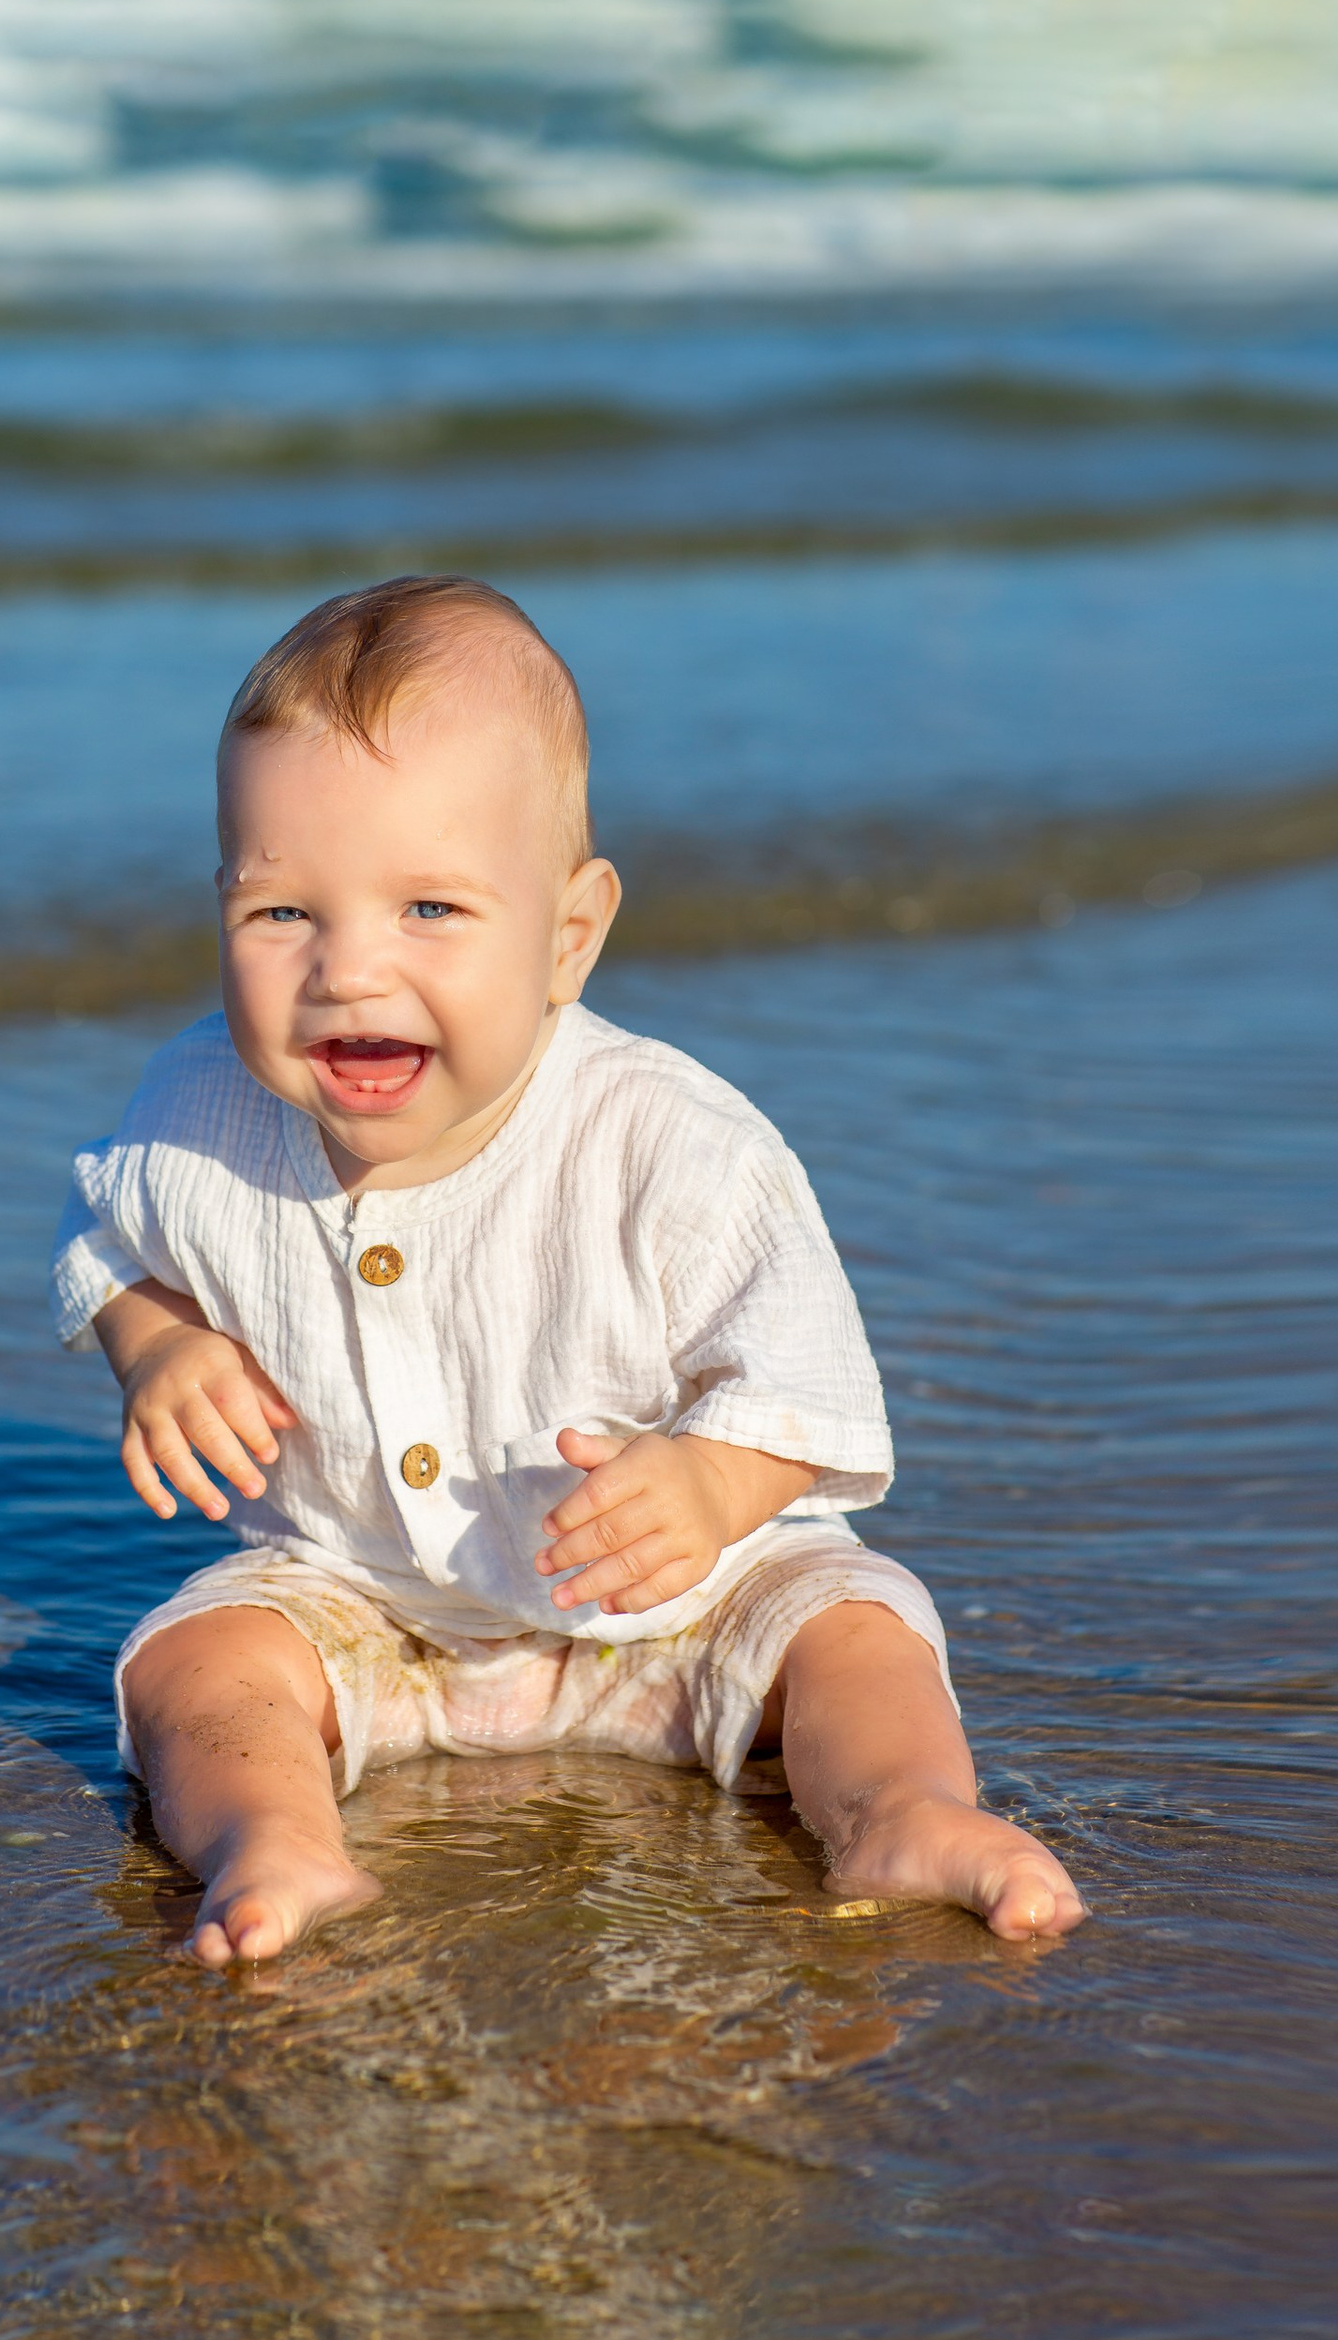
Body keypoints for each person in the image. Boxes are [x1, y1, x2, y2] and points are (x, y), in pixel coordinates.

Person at [53, 574, 1086, 1966]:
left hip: (670, 1611)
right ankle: (273, 1838)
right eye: (283, 914)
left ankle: (904, 1812)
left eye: (430, 907)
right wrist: (159, 1344)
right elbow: (113, 1247)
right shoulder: (198, 1116)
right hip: (368, 1601)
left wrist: (714, 1483)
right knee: (198, 1667)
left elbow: (809, 1384)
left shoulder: (669, 1145)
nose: (349, 971)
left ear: (569, 936)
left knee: (849, 1627)